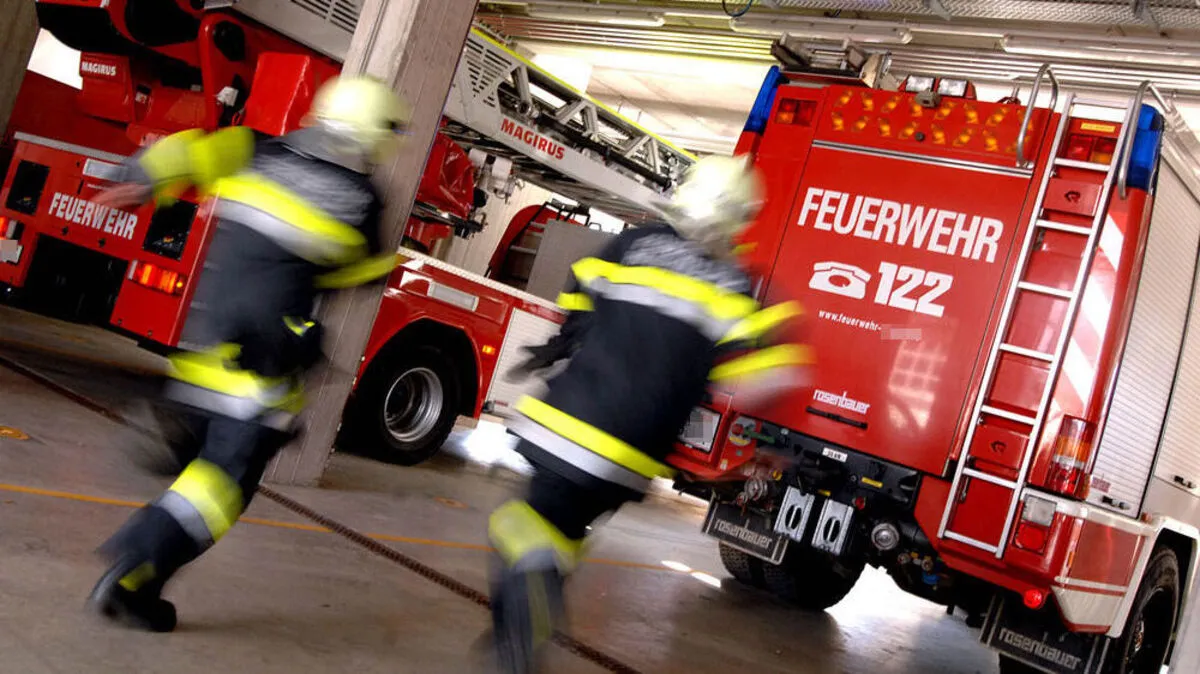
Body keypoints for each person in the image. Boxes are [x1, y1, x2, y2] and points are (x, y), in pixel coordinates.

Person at [85, 75, 411, 632]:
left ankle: (177, 447)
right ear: (372, 135)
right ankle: (134, 565)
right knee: (225, 483)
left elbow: (187, 148)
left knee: (210, 457)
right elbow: (364, 271)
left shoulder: (257, 148)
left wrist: (137, 176)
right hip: (267, 358)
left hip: (204, 339)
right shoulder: (362, 196)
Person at [487, 154, 814, 673]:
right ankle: (525, 629)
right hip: (634, 454)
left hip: (566, 424)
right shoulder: (738, 284)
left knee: (522, 528)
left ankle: (515, 647)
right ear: (740, 218)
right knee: (563, 535)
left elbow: (573, 303)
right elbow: (771, 377)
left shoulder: (631, 244)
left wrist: (570, 342)